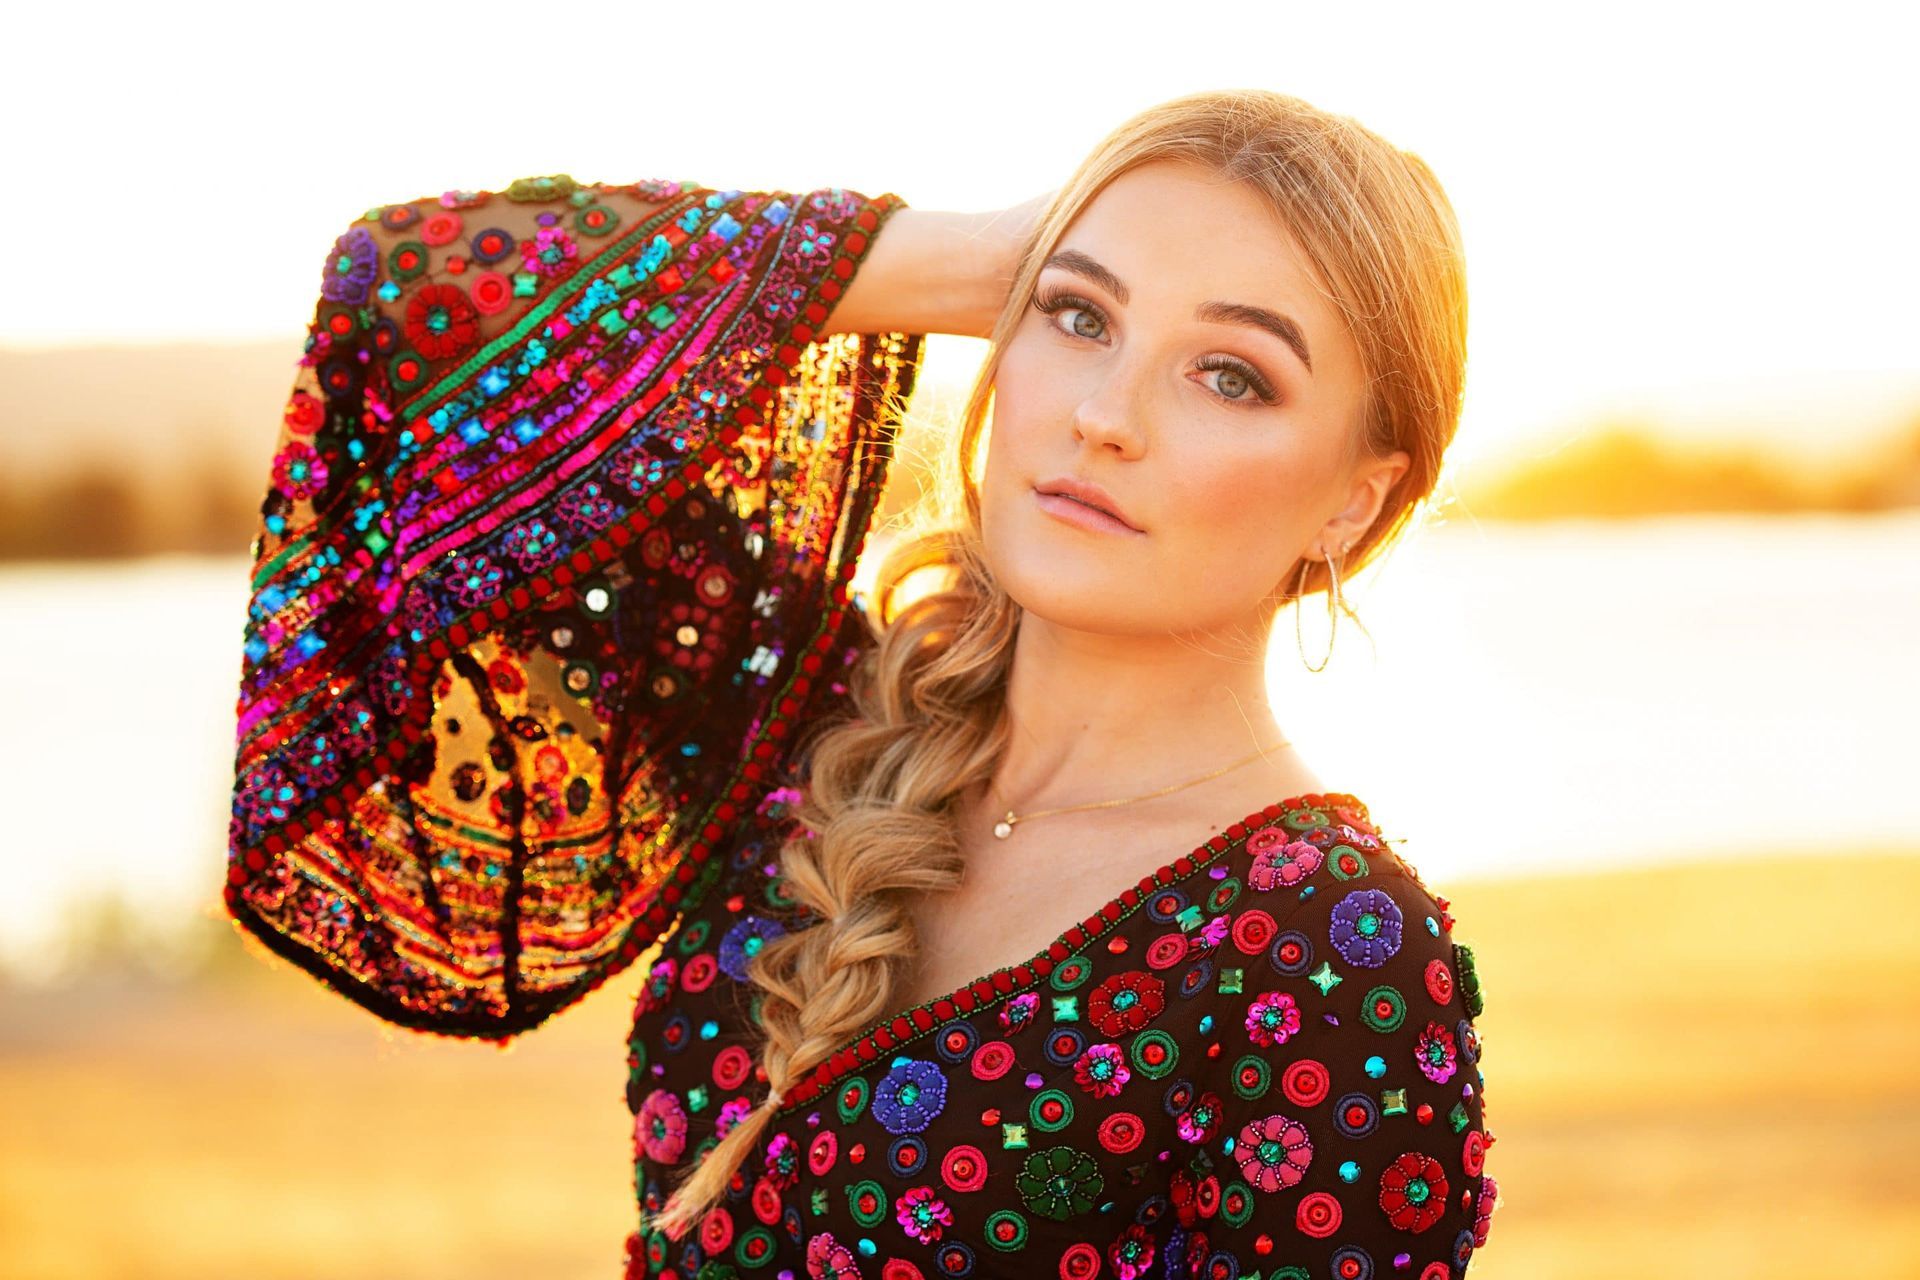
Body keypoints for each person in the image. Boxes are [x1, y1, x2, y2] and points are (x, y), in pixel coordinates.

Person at [224, 88, 1499, 1279]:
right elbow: (408, 297)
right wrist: (949, 258)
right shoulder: (815, 719)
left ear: (1354, 497)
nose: (1104, 413)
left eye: (1232, 374)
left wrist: (1068, 276)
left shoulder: (1332, 955)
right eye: (1078, 315)